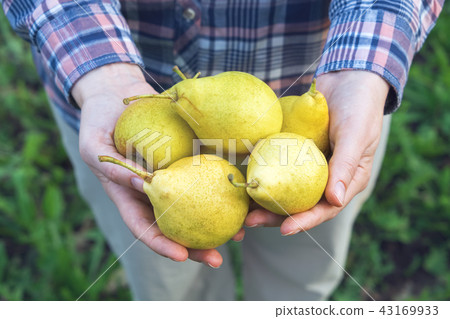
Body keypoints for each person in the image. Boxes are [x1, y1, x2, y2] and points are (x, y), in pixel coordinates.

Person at [2, 0, 444, 300]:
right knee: (168, 286)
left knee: (302, 273)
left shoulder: (319, 119)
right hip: (112, 90)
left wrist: (362, 71)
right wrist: (99, 74)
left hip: (329, 106)